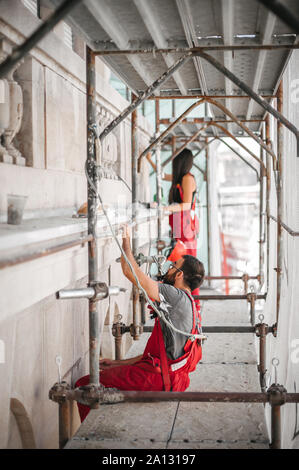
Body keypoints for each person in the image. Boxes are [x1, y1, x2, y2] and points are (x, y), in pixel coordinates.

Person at [75, 224, 205, 422]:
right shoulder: (191, 306)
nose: (168, 268)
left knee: (85, 386)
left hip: (156, 381)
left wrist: (125, 240)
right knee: (99, 380)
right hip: (173, 380)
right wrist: (117, 364)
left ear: (180, 275)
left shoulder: (174, 296)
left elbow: (130, 272)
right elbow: (155, 358)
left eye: (173, 266)